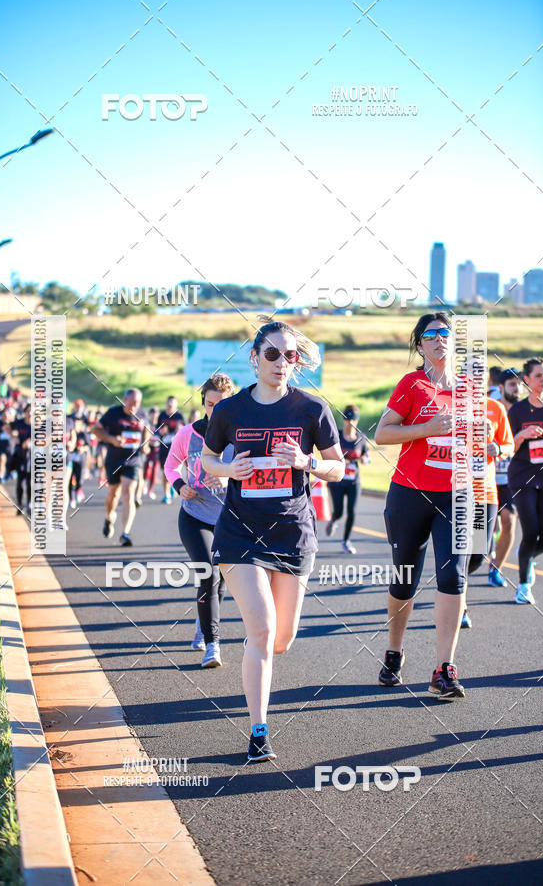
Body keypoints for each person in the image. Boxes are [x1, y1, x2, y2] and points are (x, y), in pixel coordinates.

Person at [202, 317, 344, 761]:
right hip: (240, 532)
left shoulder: (311, 409)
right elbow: (207, 459)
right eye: (272, 354)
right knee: (262, 628)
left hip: (292, 533)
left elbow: (338, 468)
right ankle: (258, 732)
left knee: (281, 640)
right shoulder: (230, 410)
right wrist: (229, 470)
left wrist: (306, 462)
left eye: (290, 355)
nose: (282, 362)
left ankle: (255, 654)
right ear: (254, 358)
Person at [374, 313, 470, 701]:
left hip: (456, 495)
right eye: (430, 335)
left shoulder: (468, 389)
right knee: (405, 581)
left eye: (445, 332)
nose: (439, 338)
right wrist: (426, 429)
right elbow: (382, 433)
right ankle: (394, 650)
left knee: (453, 578)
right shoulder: (412, 384)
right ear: (420, 346)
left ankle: (443, 669)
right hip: (410, 494)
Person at [165, 374, 236, 668]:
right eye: (209, 404)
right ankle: (212, 644)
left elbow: (254, 471)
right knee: (208, 574)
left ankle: (202, 622)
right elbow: (171, 466)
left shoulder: (241, 434)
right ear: (203, 403)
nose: (214, 410)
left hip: (230, 519)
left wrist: (228, 476)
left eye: (221, 404)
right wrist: (180, 485)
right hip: (194, 515)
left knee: (221, 581)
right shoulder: (188, 434)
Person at [507, 358, 543, 605]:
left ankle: (526, 556)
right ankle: (523, 586)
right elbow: (507, 447)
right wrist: (522, 434)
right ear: (526, 380)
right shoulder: (516, 411)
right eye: (538, 375)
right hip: (522, 477)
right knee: (531, 531)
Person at [462, 396, 514, 628]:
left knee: (478, 553)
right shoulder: (451, 405)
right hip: (456, 492)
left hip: (485, 493)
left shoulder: (495, 407)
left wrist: (498, 448)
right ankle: (459, 605)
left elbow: (509, 445)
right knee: (460, 553)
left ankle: (454, 583)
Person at [91, 388, 150, 546]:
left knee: (128, 493)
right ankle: (109, 517)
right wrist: (112, 439)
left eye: (137, 403)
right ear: (124, 400)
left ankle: (125, 533)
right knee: (113, 494)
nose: (134, 406)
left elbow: (147, 430)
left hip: (134, 460)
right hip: (114, 460)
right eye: (131, 403)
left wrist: (145, 444)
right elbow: (95, 430)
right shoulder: (113, 413)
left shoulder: (142, 414)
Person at [489, 369, 522, 587]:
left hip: (511, 479)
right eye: (512, 384)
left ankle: (496, 568)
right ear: (500, 388)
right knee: (490, 527)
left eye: (519, 384)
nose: (517, 389)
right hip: (486, 479)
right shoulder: (491, 408)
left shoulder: (525, 411)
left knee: (509, 522)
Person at [325, 404, 370, 554]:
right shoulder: (336, 435)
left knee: (352, 511)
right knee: (339, 511)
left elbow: (367, 457)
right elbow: (326, 453)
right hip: (336, 480)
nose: (350, 423)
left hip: (354, 481)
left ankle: (346, 541)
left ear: (357, 420)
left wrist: (364, 459)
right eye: (347, 419)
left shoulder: (361, 438)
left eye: (353, 420)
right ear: (343, 419)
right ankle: (333, 520)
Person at [157, 397, 186, 504]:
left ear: (176, 405)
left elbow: (186, 430)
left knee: (175, 470)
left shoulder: (180, 416)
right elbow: (157, 430)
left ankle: (173, 485)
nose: (170, 406)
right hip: (164, 447)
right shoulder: (162, 415)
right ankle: (167, 495)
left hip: (176, 448)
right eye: (168, 403)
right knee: (165, 471)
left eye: (172, 404)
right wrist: (161, 431)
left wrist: (180, 429)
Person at [10, 405, 32, 515]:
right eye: (28, 411)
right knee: (20, 482)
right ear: (25, 412)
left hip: (32, 457)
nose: (30, 413)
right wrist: (13, 437)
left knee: (30, 483)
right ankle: (19, 505)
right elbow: (6, 427)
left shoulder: (38, 424)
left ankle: (29, 505)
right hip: (20, 455)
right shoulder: (19, 423)